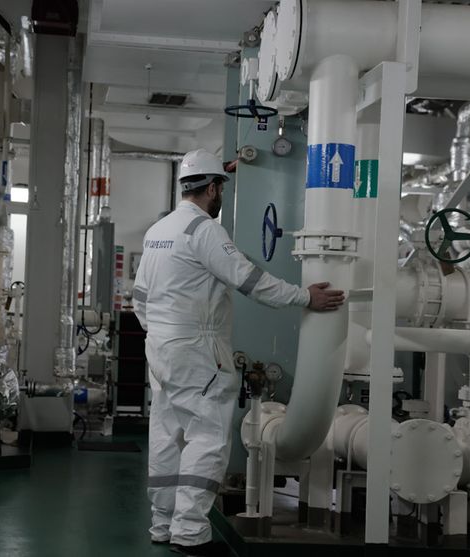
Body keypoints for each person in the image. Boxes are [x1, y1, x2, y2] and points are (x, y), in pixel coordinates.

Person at [132, 149, 345, 556]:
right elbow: (250, 281)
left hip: (159, 345)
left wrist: (161, 332)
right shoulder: (204, 231)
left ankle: (162, 524)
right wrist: (305, 298)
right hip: (196, 348)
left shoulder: (158, 230)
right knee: (206, 436)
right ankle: (189, 533)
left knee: (166, 434)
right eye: (221, 188)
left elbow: (140, 297)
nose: (221, 196)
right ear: (213, 188)